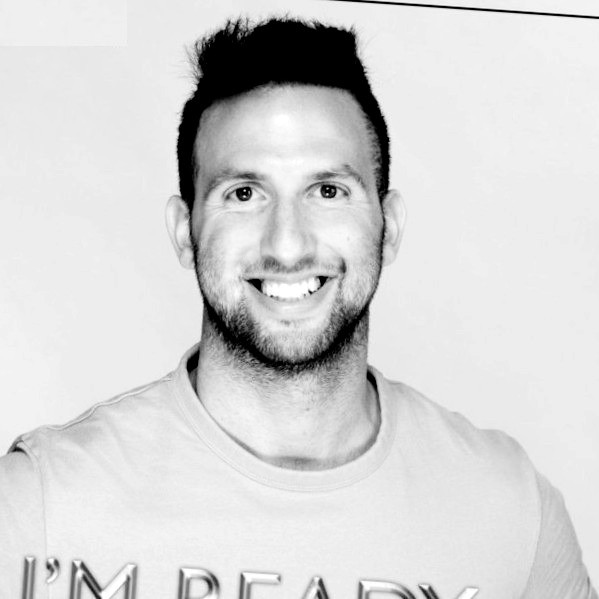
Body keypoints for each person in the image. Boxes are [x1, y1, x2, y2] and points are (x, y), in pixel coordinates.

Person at [0, 17, 596, 599]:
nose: (287, 245)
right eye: (244, 193)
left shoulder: (510, 509)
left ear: (388, 227)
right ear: (184, 232)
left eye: (328, 191)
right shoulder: (39, 504)